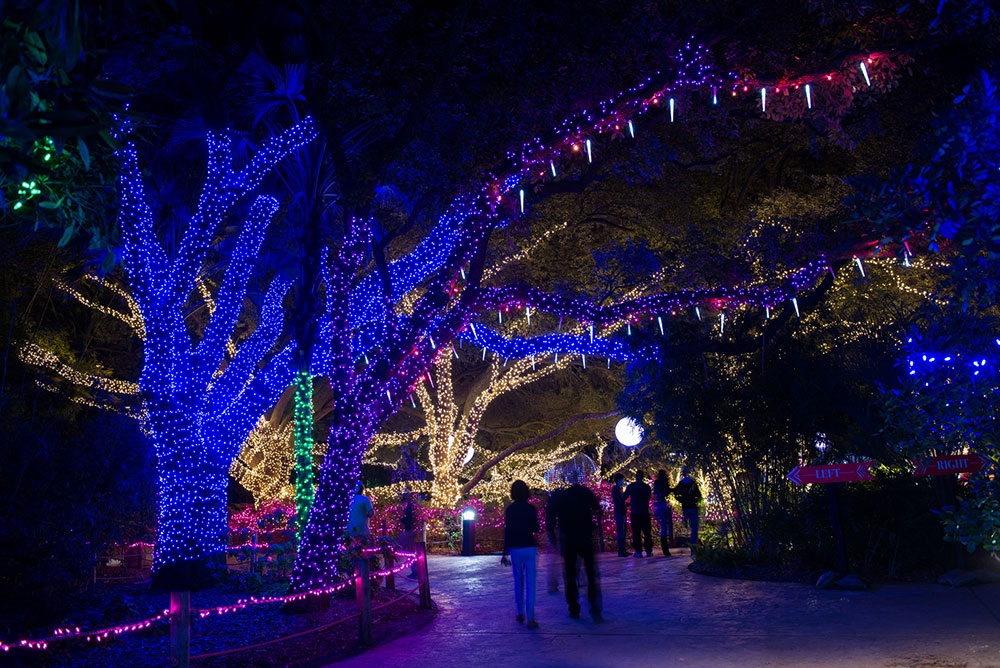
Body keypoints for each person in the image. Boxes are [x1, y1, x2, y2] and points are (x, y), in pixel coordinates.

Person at [552, 471, 602, 621]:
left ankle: (573, 607)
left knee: (570, 574)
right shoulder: (586, 492)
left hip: (569, 538)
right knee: (591, 573)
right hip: (585, 536)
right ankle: (594, 606)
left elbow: (556, 515)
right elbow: (596, 508)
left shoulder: (563, 496)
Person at [501, 480, 540, 628]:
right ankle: (530, 618)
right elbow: (536, 528)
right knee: (531, 583)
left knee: (518, 581)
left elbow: (508, 531)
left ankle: (520, 612)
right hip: (529, 547)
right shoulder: (531, 509)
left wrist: (505, 551)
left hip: (515, 548)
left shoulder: (510, 510)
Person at [623, 470, 653, 557]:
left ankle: (638, 551)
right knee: (647, 532)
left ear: (636, 477)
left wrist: (629, 503)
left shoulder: (632, 486)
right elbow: (649, 497)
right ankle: (648, 551)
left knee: (636, 533)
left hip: (635, 512)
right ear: (643, 477)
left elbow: (624, 497)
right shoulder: (646, 487)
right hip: (645, 512)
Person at [543, 485, 566, 593]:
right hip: (565, 530)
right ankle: (573, 581)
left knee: (553, 560)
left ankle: (552, 585)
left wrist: (549, 530)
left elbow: (549, 515)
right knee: (569, 558)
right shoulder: (566, 497)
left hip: (555, 530)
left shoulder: (552, 500)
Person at [673, 467, 703, 544]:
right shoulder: (693, 483)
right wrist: (696, 500)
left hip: (685, 507)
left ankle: (687, 542)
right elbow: (699, 495)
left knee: (686, 526)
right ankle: (693, 543)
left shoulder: (681, 484)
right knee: (694, 527)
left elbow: (675, 493)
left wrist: (681, 500)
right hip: (693, 506)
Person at [652, 469, 674, 557]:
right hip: (663, 504)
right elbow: (667, 491)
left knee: (662, 527)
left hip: (658, 505)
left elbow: (655, 493)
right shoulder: (664, 482)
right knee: (666, 526)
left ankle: (664, 548)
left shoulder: (656, 483)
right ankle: (666, 548)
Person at [399, 489, 418, 576]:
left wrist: (402, 519)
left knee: (410, 551)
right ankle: (415, 570)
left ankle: (415, 571)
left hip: (409, 529)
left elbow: (410, 518)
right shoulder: (411, 505)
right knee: (410, 550)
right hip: (410, 529)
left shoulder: (409, 506)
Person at [611, 473, 630, 557]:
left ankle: (623, 550)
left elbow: (621, 500)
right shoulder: (615, 489)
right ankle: (621, 551)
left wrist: (627, 504)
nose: (623, 481)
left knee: (623, 531)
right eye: (622, 479)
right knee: (621, 532)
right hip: (619, 512)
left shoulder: (619, 489)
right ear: (618, 480)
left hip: (622, 512)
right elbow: (620, 500)